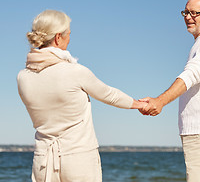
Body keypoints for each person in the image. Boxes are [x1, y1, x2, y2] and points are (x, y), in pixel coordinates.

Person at [17, 10, 146, 182]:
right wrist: (140, 105)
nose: (70, 39)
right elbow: (109, 95)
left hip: (42, 162)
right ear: (58, 37)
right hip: (78, 159)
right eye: (68, 34)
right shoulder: (75, 72)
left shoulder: (22, 77)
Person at [140, 0, 200, 182]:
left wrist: (160, 101)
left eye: (194, 13)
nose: (188, 17)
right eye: (185, 12)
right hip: (199, 132)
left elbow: (192, 74)